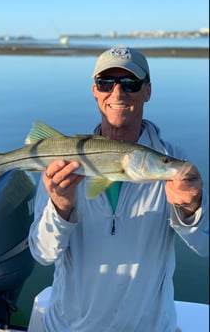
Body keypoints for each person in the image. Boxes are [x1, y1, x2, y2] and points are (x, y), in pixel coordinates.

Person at [28, 46, 209, 332]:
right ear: (94, 91)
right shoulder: (63, 161)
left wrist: (191, 208)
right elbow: (42, 254)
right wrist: (60, 208)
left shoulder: (172, 163)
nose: (117, 93)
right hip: (68, 327)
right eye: (106, 83)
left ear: (147, 91)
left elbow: (205, 245)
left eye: (130, 83)